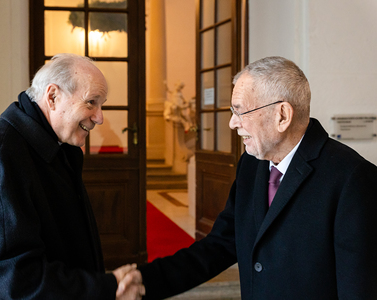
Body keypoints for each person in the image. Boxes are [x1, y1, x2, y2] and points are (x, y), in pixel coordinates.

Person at [121, 56, 377, 299]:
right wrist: (145, 281)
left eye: (240, 111)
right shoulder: (251, 165)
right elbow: (220, 245)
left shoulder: (353, 179)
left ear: (282, 116)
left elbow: (358, 288)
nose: (233, 123)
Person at [0, 53, 145, 299]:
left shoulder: (60, 147)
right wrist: (103, 288)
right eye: (91, 102)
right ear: (53, 96)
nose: (99, 117)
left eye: (101, 104)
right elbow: (17, 279)